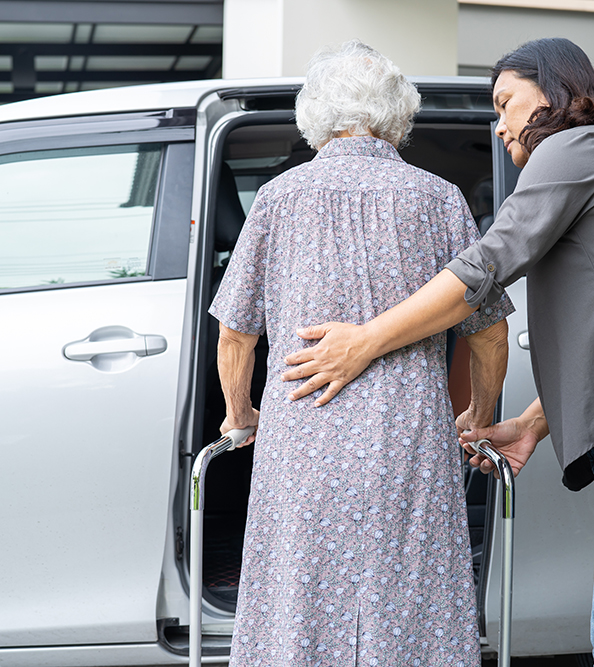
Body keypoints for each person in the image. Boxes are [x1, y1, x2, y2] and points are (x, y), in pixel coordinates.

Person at [280, 38, 594, 667]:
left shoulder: (575, 146)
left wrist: (364, 341)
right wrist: (533, 423)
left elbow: (484, 267)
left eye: (507, 102)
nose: (500, 122)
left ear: (556, 89)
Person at [210, 40, 513, 667]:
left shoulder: (276, 199)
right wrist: (481, 416)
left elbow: (237, 335)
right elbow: (486, 333)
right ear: (399, 115)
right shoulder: (439, 198)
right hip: (406, 445)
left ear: (313, 114)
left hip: (302, 440)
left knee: (299, 599)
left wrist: (241, 417)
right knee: (409, 599)